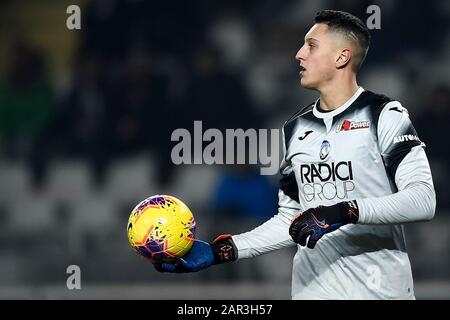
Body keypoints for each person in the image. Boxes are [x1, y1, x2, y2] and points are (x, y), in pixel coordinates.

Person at [154, 10, 436, 300]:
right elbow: (290, 221)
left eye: (311, 46)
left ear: (342, 57)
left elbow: (423, 200)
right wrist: (222, 251)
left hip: (379, 293)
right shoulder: (294, 128)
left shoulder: (384, 116)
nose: (299, 54)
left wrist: (347, 210)